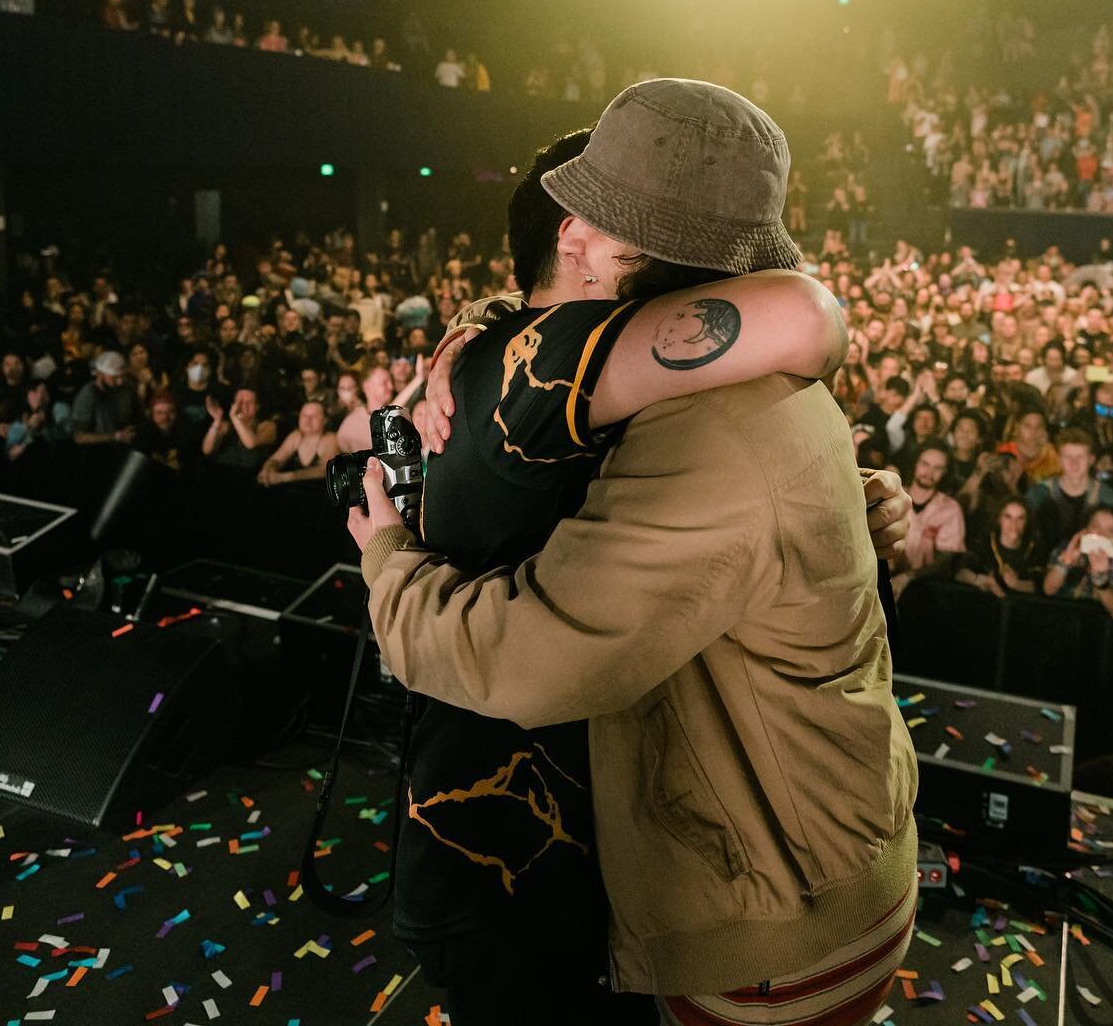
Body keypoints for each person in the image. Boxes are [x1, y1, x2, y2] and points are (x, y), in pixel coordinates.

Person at [353, 83, 918, 1025]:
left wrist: (384, 557)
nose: (568, 237)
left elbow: (530, 657)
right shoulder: (727, 384)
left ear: (586, 239)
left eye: (586, 224)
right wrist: (487, 326)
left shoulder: (711, 430)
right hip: (814, 864)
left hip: (779, 930)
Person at [1026, 428, 1113, 557]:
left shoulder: (1110, 498)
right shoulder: (1038, 495)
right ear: (1059, 459)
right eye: (1068, 457)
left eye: (1080, 457)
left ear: (1091, 460)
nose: (1074, 464)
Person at [890, 442, 966, 597]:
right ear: (915, 463)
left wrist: (908, 577)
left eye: (938, 468)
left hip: (926, 590)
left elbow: (946, 560)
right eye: (925, 464)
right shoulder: (892, 497)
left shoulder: (950, 509)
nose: (930, 473)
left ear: (945, 472)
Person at [1042, 503, 1113, 620]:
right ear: (1086, 529)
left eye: (1110, 530)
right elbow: (1048, 589)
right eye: (1095, 526)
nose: (1101, 534)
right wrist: (1065, 562)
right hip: (1059, 621)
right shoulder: (1067, 548)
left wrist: (1100, 579)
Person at [954, 494, 1046, 596]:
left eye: (1020, 518)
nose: (1013, 524)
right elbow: (960, 572)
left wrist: (1016, 584)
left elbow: (1042, 586)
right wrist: (979, 580)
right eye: (1008, 517)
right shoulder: (985, 542)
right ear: (999, 519)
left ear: (1027, 521)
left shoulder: (1034, 547)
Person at [257, 401, 337, 487]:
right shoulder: (295, 436)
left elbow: (324, 470)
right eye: (304, 415)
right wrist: (268, 469)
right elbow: (277, 458)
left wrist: (284, 477)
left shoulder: (331, 439)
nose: (308, 420)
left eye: (314, 416)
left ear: (325, 420)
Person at [70, 351, 140, 446]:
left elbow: (138, 417)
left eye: (122, 376)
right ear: (100, 375)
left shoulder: (127, 387)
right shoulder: (88, 394)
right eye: (114, 378)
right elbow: (79, 437)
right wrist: (114, 437)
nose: (120, 382)